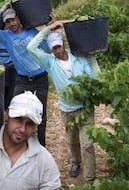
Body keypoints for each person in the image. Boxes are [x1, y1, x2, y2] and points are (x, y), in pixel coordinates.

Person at [26, 20, 98, 184]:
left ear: (63, 44)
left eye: (58, 46)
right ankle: (75, 161)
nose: (57, 51)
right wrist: (47, 30)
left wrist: (93, 59)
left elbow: (95, 78)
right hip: (67, 110)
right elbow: (31, 47)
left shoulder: (79, 58)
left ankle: (90, 179)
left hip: (85, 108)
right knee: (72, 140)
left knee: (87, 144)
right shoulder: (50, 62)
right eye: (54, 48)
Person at [0, 2, 51, 147]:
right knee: (14, 112)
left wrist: (48, 28)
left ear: (18, 18)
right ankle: (15, 144)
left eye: (13, 19)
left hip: (40, 79)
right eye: (8, 21)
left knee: (41, 115)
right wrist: (1, 11)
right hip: (22, 80)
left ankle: (41, 147)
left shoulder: (32, 32)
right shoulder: (5, 36)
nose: (11, 23)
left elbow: (47, 48)